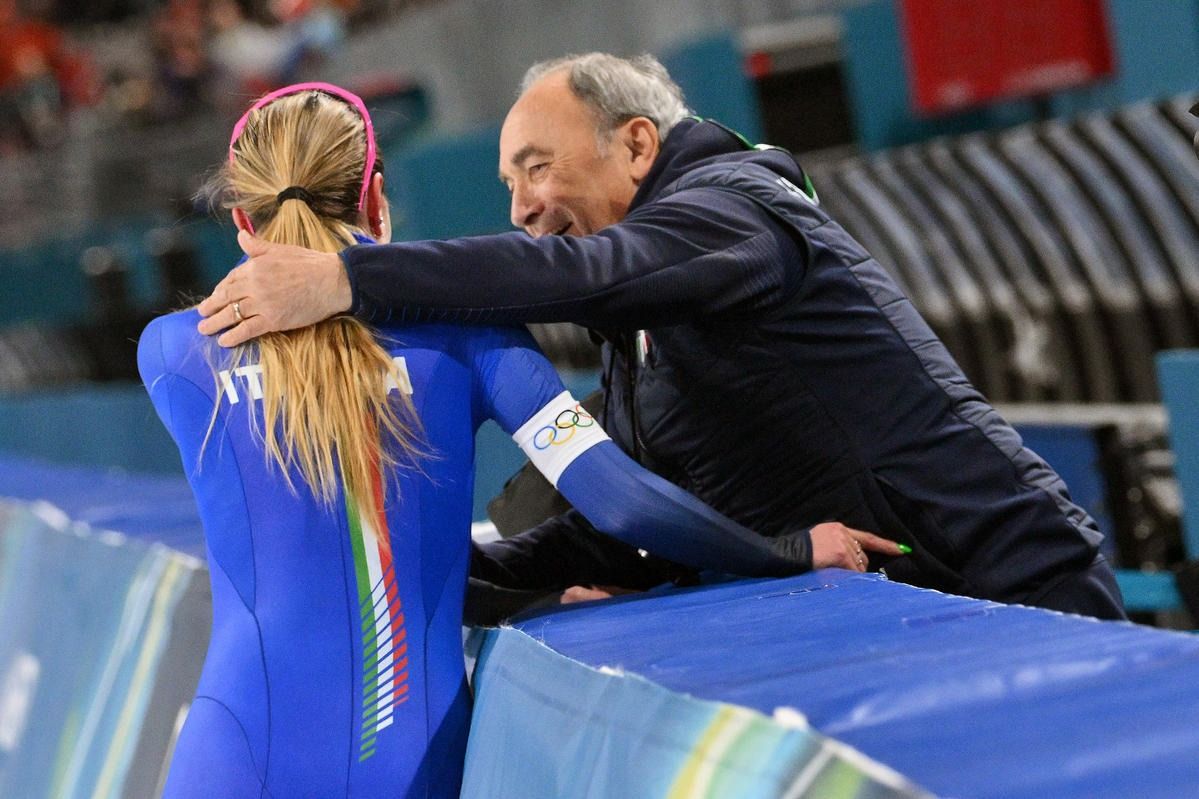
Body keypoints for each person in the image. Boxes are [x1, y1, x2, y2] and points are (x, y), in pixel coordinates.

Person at [195, 54, 1126, 621]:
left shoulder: (734, 210)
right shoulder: (636, 327)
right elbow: (630, 522)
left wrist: (350, 281)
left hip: (1014, 587)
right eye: (508, 184)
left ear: (637, 145)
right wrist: (445, 571)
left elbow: (585, 273)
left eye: (537, 168)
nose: (522, 209)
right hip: (917, 609)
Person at [141, 82, 875, 798]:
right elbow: (621, 502)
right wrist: (784, 551)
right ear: (377, 199)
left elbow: (313, 547)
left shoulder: (172, 353)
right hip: (413, 755)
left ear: (242, 219)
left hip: (233, 752)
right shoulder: (473, 335)